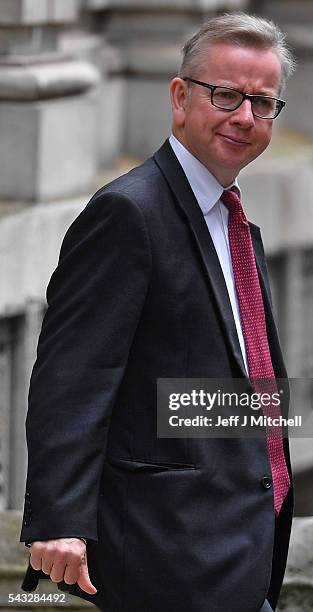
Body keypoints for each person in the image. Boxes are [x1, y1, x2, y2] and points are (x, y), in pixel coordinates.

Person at [20, 12, 295, 612]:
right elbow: (73, 377)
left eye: (263, 103)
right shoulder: (129, 214)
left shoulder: (235, 221)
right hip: (164, 556)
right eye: (226, 95)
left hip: (239, 550)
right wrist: (59, 519)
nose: (244, 117)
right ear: (180, 97)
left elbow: (218, 387)